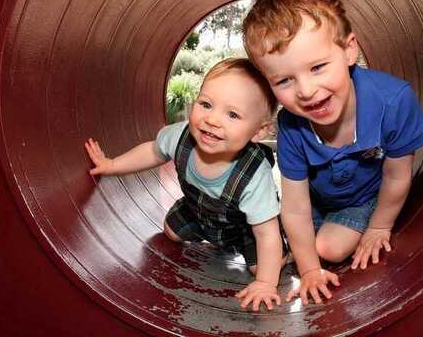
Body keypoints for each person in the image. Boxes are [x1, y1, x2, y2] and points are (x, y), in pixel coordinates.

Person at [242, 0, 423, 305]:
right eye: (284, 80)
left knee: (327, 247)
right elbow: (296, 206)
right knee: (272, 241)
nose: (305, 90)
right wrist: (310, 271)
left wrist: (379, 227)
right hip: (319, 200)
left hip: (366, 197)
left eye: (317, 67)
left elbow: (397, 175)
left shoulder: (393, 101)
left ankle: (356, 224)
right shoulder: (292, 125)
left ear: (349, 50)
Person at [85, 58, 288, 311]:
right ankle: (209, 235)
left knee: (261, 265)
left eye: (232, 114)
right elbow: (152, 151)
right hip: (198, 210)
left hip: (245, 227)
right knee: (170, 231)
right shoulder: (181, 135)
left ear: (259, 132)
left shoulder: (254, 175)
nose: (212, 119)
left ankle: (284, 250)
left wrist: (266, 283)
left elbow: (265, 233)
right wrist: (112, 165)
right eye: (206, 104)